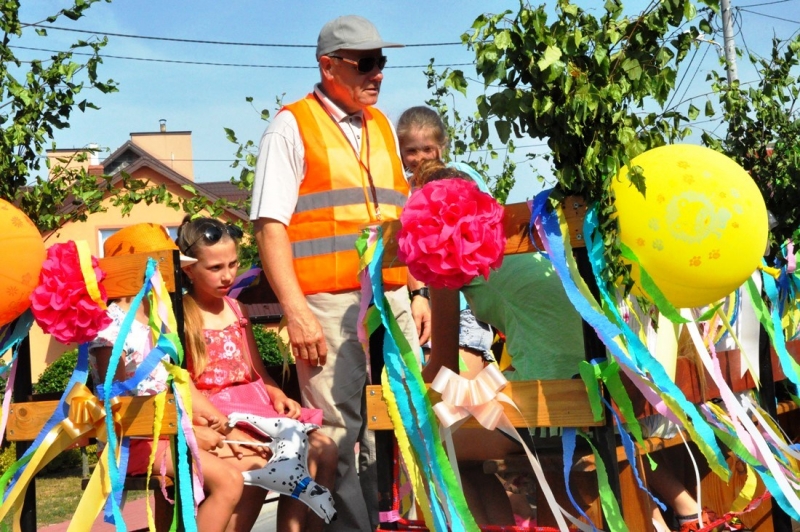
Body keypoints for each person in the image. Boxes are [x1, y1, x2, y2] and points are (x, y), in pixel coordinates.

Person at [249, 15, 430, 532]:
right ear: (328, 66)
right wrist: (296, 311)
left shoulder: (382, 127)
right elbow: (269, 226)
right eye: (366, 63)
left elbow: (404, 219)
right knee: (336, 431)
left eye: (381, 61)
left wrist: (417, 289)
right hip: (326, 302)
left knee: (408, 417)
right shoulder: (290, 126)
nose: (378, 73)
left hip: (391, 300)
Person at [90, 223, 273, 532]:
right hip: (135, 443)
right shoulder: (111, 329)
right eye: (165, 271)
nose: (173, 279)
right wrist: (187, 433)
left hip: (170, 432)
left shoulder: (159, 319)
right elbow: (117, 407)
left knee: (256, 464)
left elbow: (179, 381)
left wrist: (225, 427)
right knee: (228, 481)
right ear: (141, 273)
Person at [175, 216, 338, 532]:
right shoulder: (183, 315)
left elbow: (257, 373)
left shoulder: (238, 309)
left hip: (255, 408)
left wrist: (276, 393)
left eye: (233, 264)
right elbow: (184, 386)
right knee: (262, 465)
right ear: (189, 269)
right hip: (217, 414)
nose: (227, 275)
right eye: (215, 268)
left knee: (325, 449)